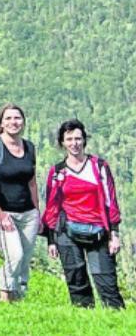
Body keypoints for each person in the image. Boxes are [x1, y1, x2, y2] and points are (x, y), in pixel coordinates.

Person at [41, 119, 123, 309]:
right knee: (76, 280)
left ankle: (117, 319)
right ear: (62, 142)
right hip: (67, 231)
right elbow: (52, 207)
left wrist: (114, 234)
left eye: (78, 138)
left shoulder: (99, 166)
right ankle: (84, 319)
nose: (74, 143)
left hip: (99, 231)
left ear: (85, 140)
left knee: (106, 282)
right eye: (69, 139)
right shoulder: (57, 172)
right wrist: (51, 240)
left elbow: (111, 201)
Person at [0, 104, 39, 302]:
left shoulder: (29, 147)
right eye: (8, 118)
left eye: (17, 118)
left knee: (23, 262)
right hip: (3, 213)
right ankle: (5, 297)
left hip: (28, 214)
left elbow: (32, 182)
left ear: (23, 121)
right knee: (14, 255)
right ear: (1, 123)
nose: (13, 122)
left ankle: (19, 300)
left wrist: (38, 212)